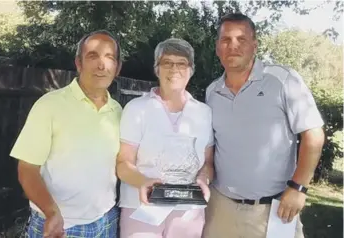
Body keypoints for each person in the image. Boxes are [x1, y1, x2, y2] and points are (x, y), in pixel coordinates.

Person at [203, 13, 325, 238]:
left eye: (242, 39)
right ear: (218, 47)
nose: (233, 46)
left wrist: (299, 187)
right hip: (220, 208)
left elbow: (313, 134)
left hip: (274, 210)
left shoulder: (283, 80)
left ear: (255, 46)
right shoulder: (212, 92)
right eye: (226, 40)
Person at [10, 30, 122, 238]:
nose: (101, 65)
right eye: (92, 56)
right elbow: (27, 169)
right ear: (78, 63)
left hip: (107, 221)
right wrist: (52, 212)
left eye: (109, 58)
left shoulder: (118, 111)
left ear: (117, 68)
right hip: (59, 226)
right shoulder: (49, 106)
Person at [116, 38, 214, 238]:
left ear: (191, 70)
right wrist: (143, 181)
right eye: (167, 63)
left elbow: (209, 161)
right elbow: (123, 162)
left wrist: (204, 178)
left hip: (188, 212)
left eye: (181, 63)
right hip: (142, 208)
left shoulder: (204, 112)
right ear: (157, 69)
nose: (174, 69)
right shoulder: (136, 108)